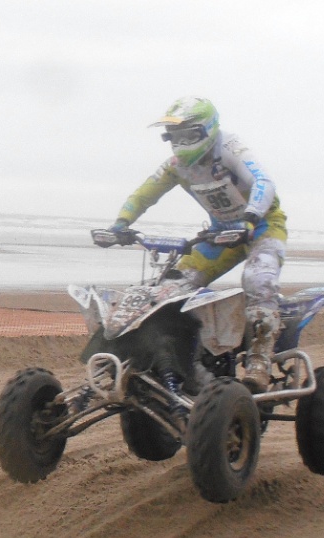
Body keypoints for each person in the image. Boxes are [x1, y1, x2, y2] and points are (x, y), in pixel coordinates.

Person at [103, 96, 287, 391]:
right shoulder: (176, 166)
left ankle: (259, 362)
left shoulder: (230, 149)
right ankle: (174, 357)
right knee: (168, 287)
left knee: (258, 280)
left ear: (207, 129)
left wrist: (251, 218)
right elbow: (144, 194)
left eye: (188, 134)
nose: (181, 142)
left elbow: (263, 182)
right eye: (175, 136)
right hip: (219, 235)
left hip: (262, 227)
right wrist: (121, 224)